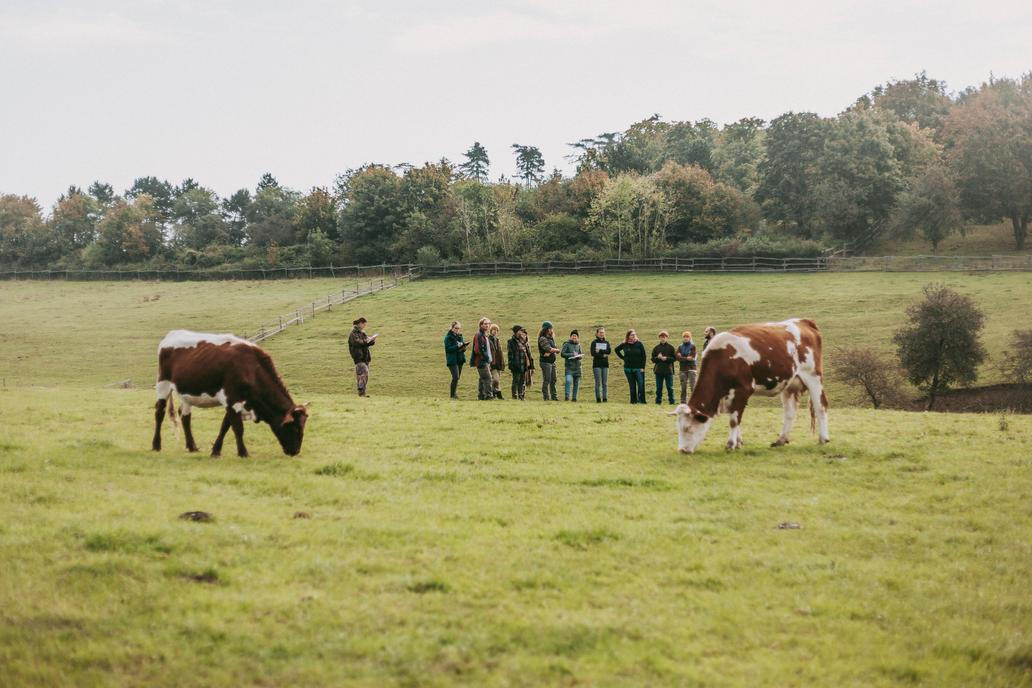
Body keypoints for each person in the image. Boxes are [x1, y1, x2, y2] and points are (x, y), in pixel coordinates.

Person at [615, 329, 647, 404]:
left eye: (634, 334)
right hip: (628, 369)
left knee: (640, 385)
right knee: (632, 386)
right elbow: (616, 350)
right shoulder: (625, 344)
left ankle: (641, 401)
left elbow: (644, 356)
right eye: (632, 335)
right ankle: (633, 401)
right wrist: (623, 358)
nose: (633, 336)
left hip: (639, 368)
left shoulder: (639, 344)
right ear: (628, 336)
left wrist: (643, 367)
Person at [347, 317, 377, 397]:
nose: (364, 326)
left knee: (364, 375)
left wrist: (372, 340)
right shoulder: (353, 334)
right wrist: (366, 341)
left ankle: (362, 393)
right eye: (364, 324)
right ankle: (361, 390)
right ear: (360, 323)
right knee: (364, 373)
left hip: (365, 357)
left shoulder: (362, 333)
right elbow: (358, 343)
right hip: (359, 357)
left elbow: (366, 343)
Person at [470, 317, 494, 401]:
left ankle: (481, 395)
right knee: (488, 378)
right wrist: (485, 357)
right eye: (485, 324)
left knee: (482, 378)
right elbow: (477, 349)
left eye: (488, 324)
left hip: (485, 360)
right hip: (481, 361)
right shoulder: (479, 335)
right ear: (481, 325)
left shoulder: (484, 335)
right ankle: (489, 396)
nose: (487, 325)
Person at [507, 325, 533, 400]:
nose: (522, 332)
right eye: (520, 330)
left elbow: (528, 354)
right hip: (516, 365)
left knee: (522, 381)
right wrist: (512, 364)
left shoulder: (524, 341)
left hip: (524, 365)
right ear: (516, 332)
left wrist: (531, 364)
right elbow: (510, 355)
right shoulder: (511, 342)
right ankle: (515, 396)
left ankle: (521, 396)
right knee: (516, 380)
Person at [443, 321, 468, 399]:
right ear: (452, 328)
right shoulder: (448, 337)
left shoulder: (460, 336)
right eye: (456, 328)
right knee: (456, 377)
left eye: (459, 328)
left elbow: (463, 349)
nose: (457, 330)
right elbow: (448, 349)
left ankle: (454, 394)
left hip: (460, 359)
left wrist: (464, 347)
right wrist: (457, 346)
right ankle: (452, 395)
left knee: (457, 378)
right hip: (452, 360)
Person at [651, 330, 676, 405]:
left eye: (664, 337)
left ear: (667, 338)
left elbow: (674, 358)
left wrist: (666, 358)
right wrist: (658, 358)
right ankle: (658, 402)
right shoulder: (656, 348)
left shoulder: (671, 347)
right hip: (658, 371)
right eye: (661, 337)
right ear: (659, 338)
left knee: (670, 387)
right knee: (659, 388)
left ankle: (672, 401)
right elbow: (653, 359)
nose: (663, 338)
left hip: (668, 371)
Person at [537, 321, 561, 401]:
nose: (551, 330)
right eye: (550, 328)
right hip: (545, 362)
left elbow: (552, 349)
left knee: (553, 379)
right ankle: (546, 397)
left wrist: (552, 350)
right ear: (546, 329)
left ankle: (554, 397)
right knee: (547, 379)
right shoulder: (543, 338)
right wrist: (555, 350)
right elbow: (548, 349)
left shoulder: (551, 339)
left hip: (551, 362)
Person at [675, 330, 698, 404]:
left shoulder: (693, 346)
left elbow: (692, 357)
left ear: (690, 338)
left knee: (692, 386)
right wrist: (686, 358)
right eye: (684, 337)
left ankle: (695, 402)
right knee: (683, 386)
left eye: (687, 336)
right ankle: (683, 402)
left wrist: (682, 357)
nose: (685, 338)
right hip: (682, 369)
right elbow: (677, 358)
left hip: (692, 368)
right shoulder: (680, 347)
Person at [589, 326, 611, 403]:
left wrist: (600, 351)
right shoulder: (594, 343)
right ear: (597, 333)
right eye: (600, 332)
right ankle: (598, 399)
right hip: (597, 365)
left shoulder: (607, 342)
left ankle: (605, 399)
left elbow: (608, 351)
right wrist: (603, 354)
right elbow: (593, 353)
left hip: (605, 365)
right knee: (598, 383)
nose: (602, 334)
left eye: (603, 332)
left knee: (605, 383)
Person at [561, 330, 583, 402]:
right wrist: (572, 354)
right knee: (568, 381)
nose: (574, 337)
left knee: (576, 383)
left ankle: (574, 398)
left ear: (578, 338)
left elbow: (580, 355)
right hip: (569, 367)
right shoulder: (566, 344)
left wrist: (578, 356)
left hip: (577, 367)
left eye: (575, 336)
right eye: (573, 336)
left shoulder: (578, 345)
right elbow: (562, 354)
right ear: (570, 337)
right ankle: (567, 397)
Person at [488, 323, 505, 400]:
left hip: (498, 363)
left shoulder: (497, 340)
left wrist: (502, 363)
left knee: (496, 380)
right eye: (493, 330)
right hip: (492, 363)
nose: (495, 331)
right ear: (491, 331)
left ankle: (494, 394)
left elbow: (500, 352)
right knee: (496, 379)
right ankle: (497, 394)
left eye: (496, 330)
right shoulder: (488, 339)